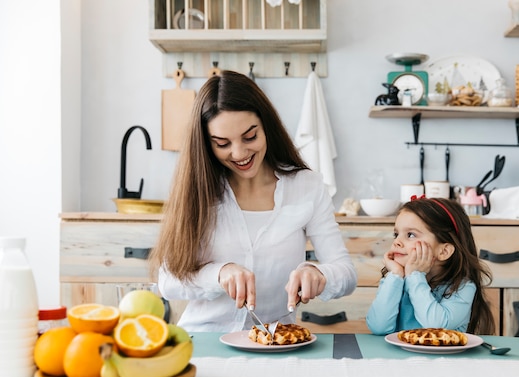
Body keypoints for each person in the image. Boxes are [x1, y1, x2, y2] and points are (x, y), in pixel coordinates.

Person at [149, 70, 357, 332]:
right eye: (222, 143)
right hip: (204, 339)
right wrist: (220, 273)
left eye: (250, 137)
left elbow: (346, 273)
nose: (239, 153)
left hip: (276, 344)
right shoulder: (198, 190)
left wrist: (320, 275)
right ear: (206, 144)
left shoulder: (307, 186)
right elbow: (168, 282)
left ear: (266, 126)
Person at [366, 195, 494, 335]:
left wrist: (415, 276)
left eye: (411, 235)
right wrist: (395, 275)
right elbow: (378, 327)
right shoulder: (395, 281)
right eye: (396, 234)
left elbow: (437, 328)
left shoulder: (462, 287)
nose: (397, 242)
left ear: (444, 251)